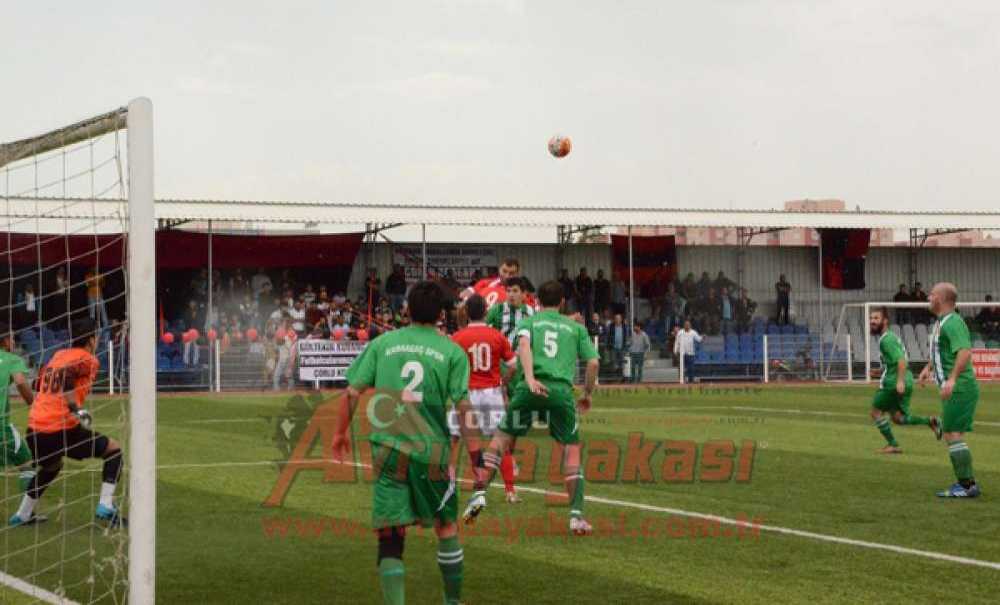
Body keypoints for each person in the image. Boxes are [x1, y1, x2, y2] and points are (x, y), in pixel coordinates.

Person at [332, 281, 473, 605]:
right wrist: (475, 450)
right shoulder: (451, 350)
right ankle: (452, 601)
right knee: (447, 525)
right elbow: (462, 404)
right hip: (433, 451)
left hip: (388, 449)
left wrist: (340, 434)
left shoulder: (384, 344)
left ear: (407, 310)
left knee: (391, 535)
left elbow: (351, 393)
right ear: (440, 314)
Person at [462, 280, 600, 536]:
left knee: (499, 441)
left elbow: (523, 346)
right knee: (570, 451)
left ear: (536, 301)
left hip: (528, 389)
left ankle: (478, 496)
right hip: (560, 392)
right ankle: (576, 517)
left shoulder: (529, 322)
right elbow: (592, 363)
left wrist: (529, 379)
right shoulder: (575, 328)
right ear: (562, 302)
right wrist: (587, 393)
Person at [11, 319, 125, 527]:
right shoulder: (87, 358)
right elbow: (67, 376)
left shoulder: (58, 355)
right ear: (91, 339)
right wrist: (76, 408)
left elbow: (39, 381)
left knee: (51, 467)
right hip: (60, 427)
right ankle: (106, 506)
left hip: (35, 428)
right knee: (114, 450)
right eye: (96, 336)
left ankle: (22, 515)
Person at [451, 295, 519, 502]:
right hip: (491, 393)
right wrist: (503, 381)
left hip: (467, 394)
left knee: (453, 439)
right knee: (501, 441)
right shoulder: (497, 335)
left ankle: (450, 484)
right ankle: (510, 491)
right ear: (486, 312)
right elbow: (515, 365)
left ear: (467, 313)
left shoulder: (458, 337)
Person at [919, 283, 981, 498]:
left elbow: (964, 352)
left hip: (961, 387)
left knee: (952, 434)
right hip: (955, 387)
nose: (929, 296)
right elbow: (941, 349)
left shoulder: (953, 322)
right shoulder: (941, 322)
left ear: (942, 299)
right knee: (953, 433)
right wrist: (928, 368)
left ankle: (967, 485)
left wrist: (952, 379)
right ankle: (967, 483)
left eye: (933, 294)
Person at [868, 307, 941, 454]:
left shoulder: (886, 340)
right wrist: (880, 371)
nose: (872, 321)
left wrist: (899, 381)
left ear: (885, 321)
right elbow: (895, 362)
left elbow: (901, 361)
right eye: (871, 318)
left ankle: (893, 444)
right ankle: (931, 421)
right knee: (898, 418)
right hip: (905, 379)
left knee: (876, 413)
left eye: (876, 318)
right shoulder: (891, 337)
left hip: (894, 382)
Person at [0, 324, 38, 493]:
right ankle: (26, 513)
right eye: (12, 338)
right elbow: (21, 382)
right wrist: (34, 405)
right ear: (6, 340)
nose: (14, 341)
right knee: (25, 462)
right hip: (1, 427)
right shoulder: (11, 359)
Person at [484, 277, 535, 346]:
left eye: (515, 291)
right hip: (502, 354)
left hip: (522, 354)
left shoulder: (531, 311)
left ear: (523, 293)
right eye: (508, 291)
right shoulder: (497, 309)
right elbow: (483, 329)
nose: (511, 295)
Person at [673, 320, 702, 384]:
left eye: (688, 325)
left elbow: (698, 339)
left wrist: (702, 338)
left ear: (690, 325)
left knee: (691, 368)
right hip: (682, 353)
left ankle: (690, 380)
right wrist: (675, 351)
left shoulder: (693, 332)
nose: (687, 326)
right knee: (681, 368)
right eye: (686, 325)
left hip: (690, 353)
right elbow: (676, 342)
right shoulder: (680, 332)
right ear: (684, 325)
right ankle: (682, 380)